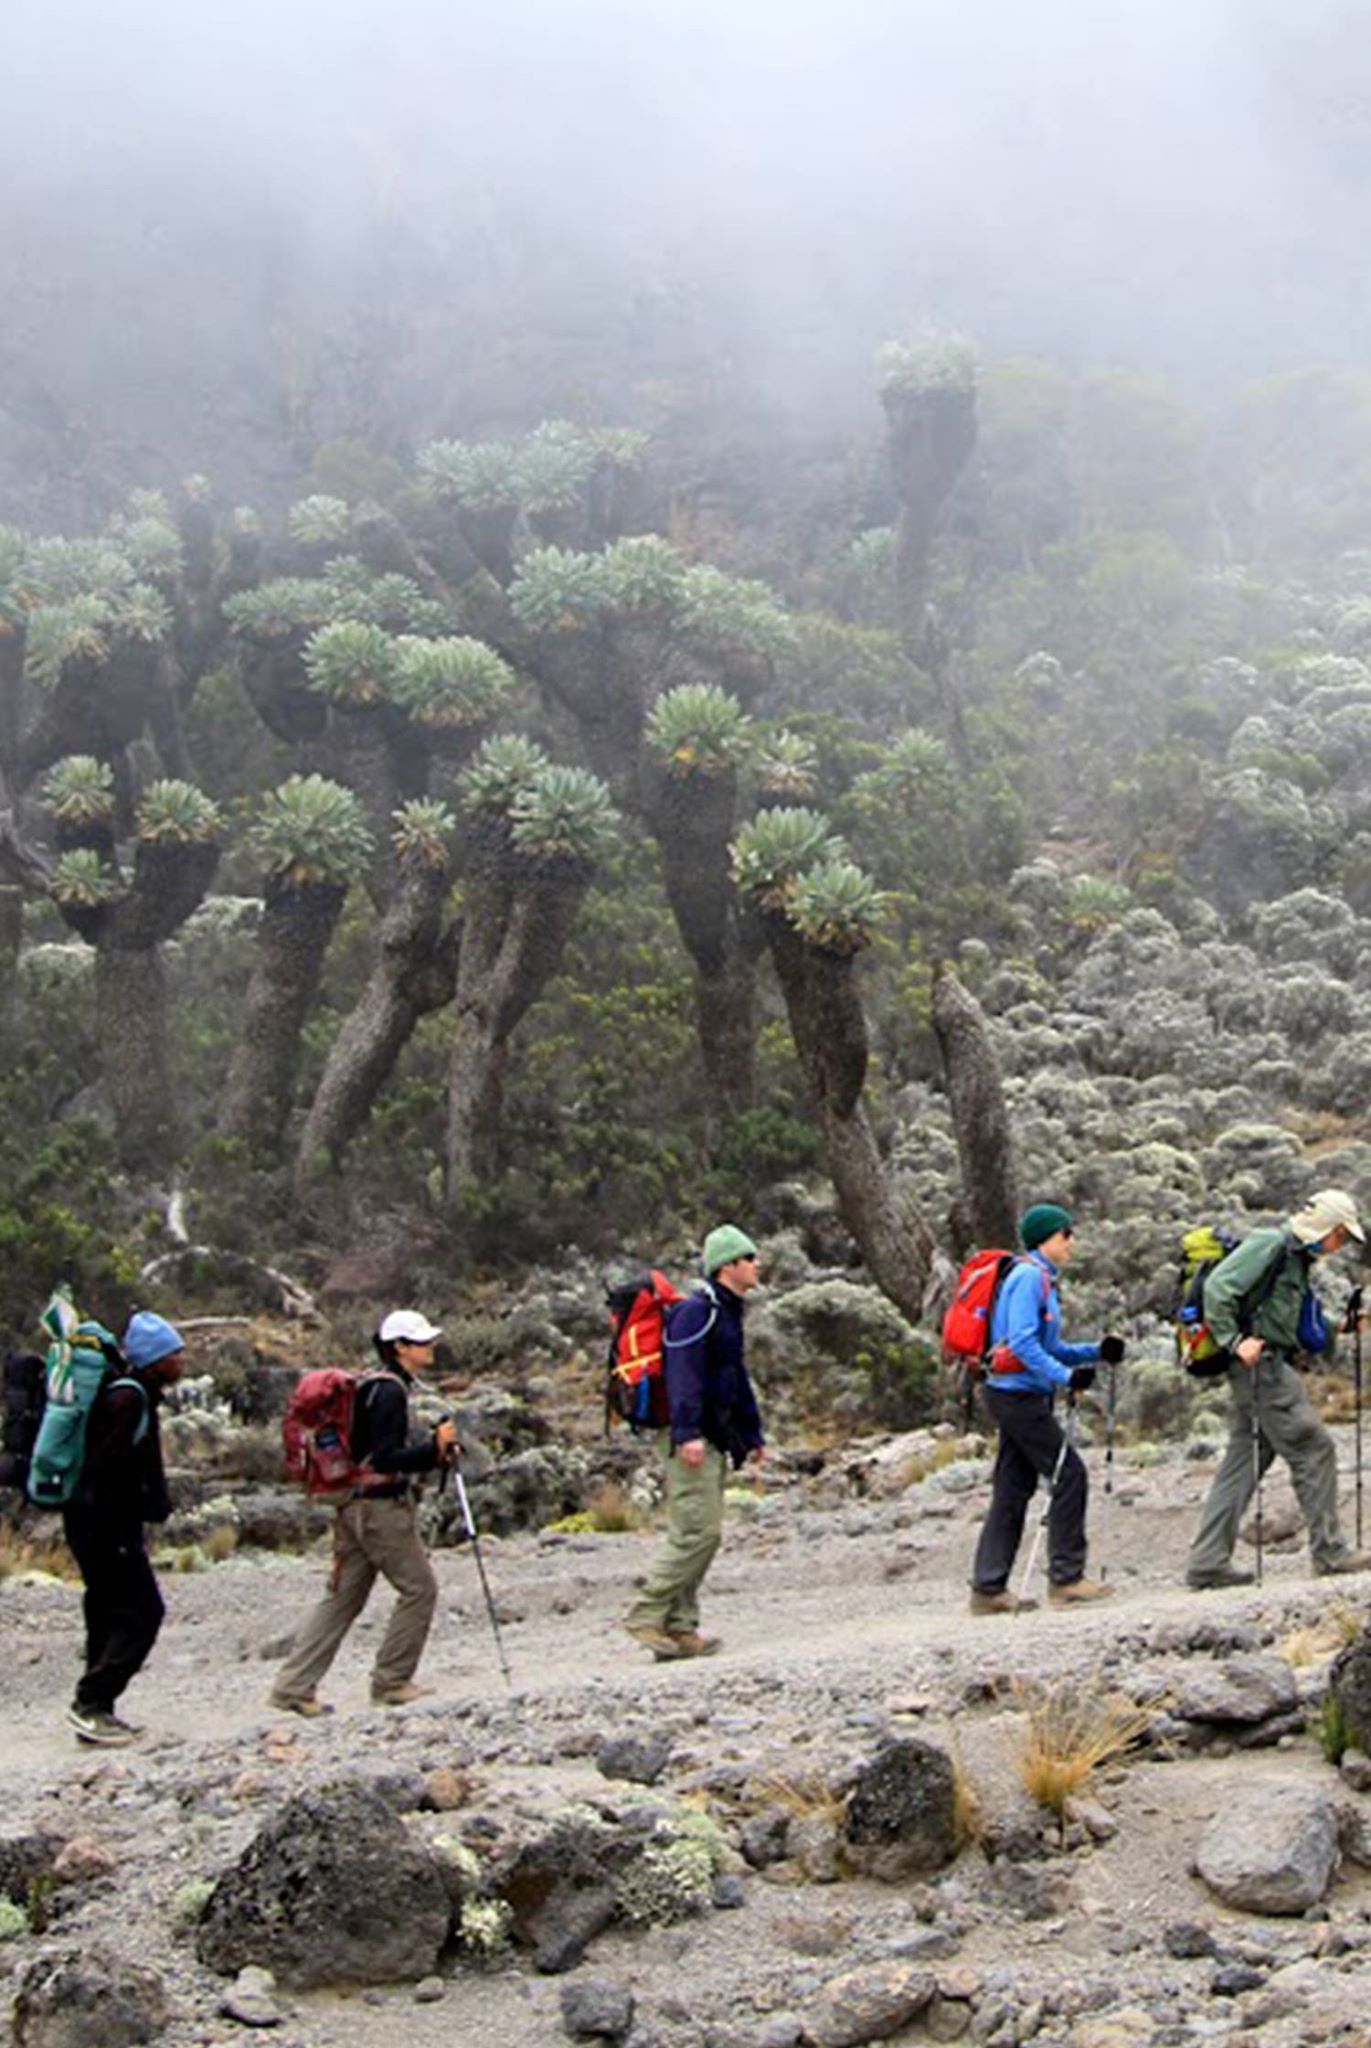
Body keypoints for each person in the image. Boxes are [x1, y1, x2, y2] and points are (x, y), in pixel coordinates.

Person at [269, 1310, 458, 1716]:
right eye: (421, 1342)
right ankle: (392, 1681)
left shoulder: (369, 1386)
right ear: (400, 1348)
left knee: (341, 1600)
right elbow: (386, 1457)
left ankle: (293, 1687)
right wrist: (434, 1451)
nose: (431, 1347)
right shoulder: (389, 1392)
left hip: (351, 1507)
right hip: (380, 1511)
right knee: (419, 1589)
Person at [1186, 1189, 1371, 1589]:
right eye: (1341, 1237)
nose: (1339, 1246)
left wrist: (1340, 1327)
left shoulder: (1296, 1258)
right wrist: (1235, 1341)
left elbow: (1295, 1320)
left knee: (1244, 1458)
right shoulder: (1271, 1245)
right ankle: (1331, 1552)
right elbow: (1219, 1288)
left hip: (1263, 1364)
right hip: (1260, 1365)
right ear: (1329, 1228)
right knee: (1313, 1446)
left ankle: (1207, 1561)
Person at [969, 1204, 1122, 1614]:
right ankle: (1066, 1579)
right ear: (1044, 1239)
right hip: (1016, 1395)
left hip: (1018, 1394)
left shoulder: (1042, 1281)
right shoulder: (1028, 1279)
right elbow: (1021, 1341)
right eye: (1064, 1234)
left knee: (1013, 1489)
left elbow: (1048, 1347)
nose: (1071, 1241)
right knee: (1068, 1474)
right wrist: (1066, 1378)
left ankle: (988, 1588)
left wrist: (1095, 1353)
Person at [624, 1224, 765, 1661]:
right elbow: (683, 1375)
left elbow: (734, 1378)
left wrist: (751, 1433)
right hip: (691, 1438)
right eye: (750, 1258)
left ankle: (681, 1628)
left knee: (697, 1531)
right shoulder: (697, 1312)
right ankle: (646, 1613)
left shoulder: (727, 1311)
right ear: (728, 1266)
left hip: (712, 1436)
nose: (758, 1265)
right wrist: (686, 1432)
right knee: (699, 1533)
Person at [63, 1310, 185, 1747]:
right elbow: (106, 1467)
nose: (182, 1360)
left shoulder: (132, 1395)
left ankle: (97, 1715)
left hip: (95, 1522)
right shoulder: (127, 1400)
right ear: (156, 1360)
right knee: (144, 1613)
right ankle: (91, 1702)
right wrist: (126, 1519)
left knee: (106, 1612)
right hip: (105, 1525)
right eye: (175, 1353)